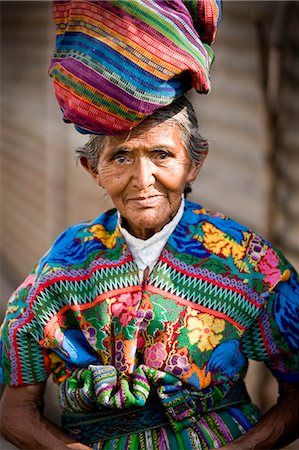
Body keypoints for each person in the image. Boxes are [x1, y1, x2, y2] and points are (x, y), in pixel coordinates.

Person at [0, 95, 298, 449]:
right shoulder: (63, 266)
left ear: (194, 162)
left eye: (162, 155)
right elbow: (15, 409)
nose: (143, 180)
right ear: (92, 169)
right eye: (120, 157)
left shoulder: (247, 263)